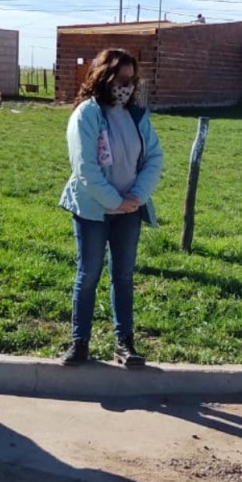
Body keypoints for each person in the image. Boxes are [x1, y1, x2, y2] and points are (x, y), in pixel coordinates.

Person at [59, 48, 163, 367]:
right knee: (88, 274)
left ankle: (124, 344)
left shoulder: (136, 116)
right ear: (102, 77)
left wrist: (136, 198)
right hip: (93, 210)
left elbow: (154, 158)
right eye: (121, 79)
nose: (127, 87)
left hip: (129, 211)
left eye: (132, 80)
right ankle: (80, 343)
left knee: (124, 276)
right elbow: (85, 169)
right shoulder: (86, 115)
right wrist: (116, 202)